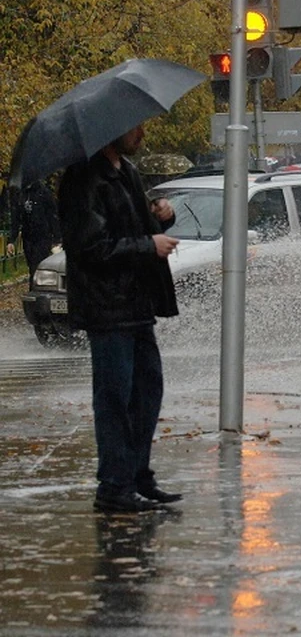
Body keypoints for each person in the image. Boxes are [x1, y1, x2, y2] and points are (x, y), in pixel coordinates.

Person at [58, 124, 183, 513]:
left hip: (137, 305)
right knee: (115, 398)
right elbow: (90, 246)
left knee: (147, 393)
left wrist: (161, 217)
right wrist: (149, 245)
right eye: (135, 127)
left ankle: (137, 475)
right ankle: (114, 485)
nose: (142, 133)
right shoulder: (84, 178)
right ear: (112, 129)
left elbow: (132, 227)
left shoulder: (125, 171)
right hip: (107, 307)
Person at [6, 178, 61, 287]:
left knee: (38, 266)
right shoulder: (20, 194)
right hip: (28, 237)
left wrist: (57, 238)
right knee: (32, 266)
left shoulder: (43, 193)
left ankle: (36, 291)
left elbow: (53, 216)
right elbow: (16, 219)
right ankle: (35, 289)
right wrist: (11, 240)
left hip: (43, 236)